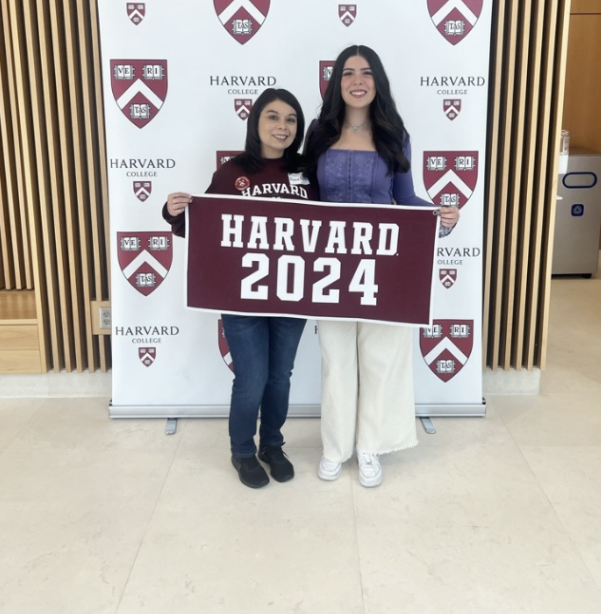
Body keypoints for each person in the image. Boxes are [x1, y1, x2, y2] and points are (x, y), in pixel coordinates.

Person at [305, 44, 459, 488]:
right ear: (336, 82)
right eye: (349, 72)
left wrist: (439, 218)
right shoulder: (319, 131)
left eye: (367, 72)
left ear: (378, 82)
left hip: (383, 266)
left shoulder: (395, 134)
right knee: (336, 359)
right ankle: (335, 448)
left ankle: (370, 446)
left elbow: (407, 201)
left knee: (381, 358)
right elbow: (307, 201)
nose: (358, 79)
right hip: (330, 268)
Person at [163, 88, 318, 489]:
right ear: (256, 123)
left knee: (280, 376)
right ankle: (243, 451)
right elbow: (207, 229)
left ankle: (272, 445)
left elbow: (332, 227)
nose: (282, 126)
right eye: (273, 117)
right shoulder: (232, 173)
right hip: (242, 295)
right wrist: (174, 214)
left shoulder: (308, 171)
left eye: (290, 119)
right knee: (251, 377)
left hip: (292, 293)